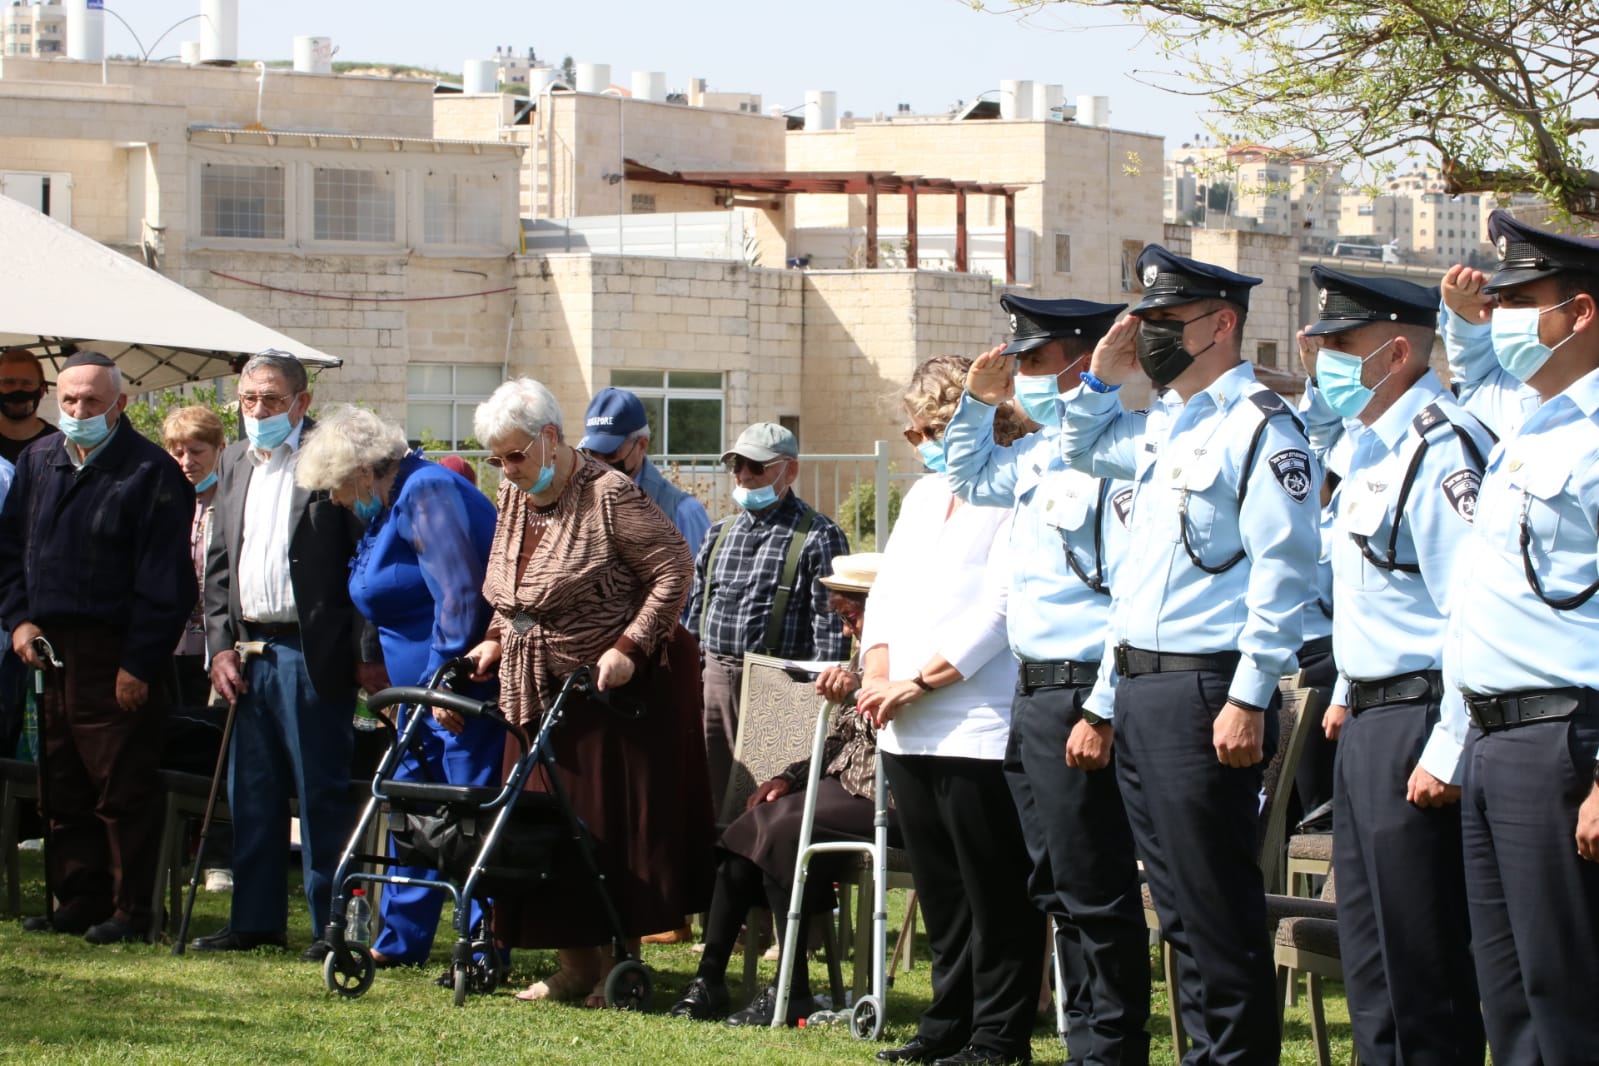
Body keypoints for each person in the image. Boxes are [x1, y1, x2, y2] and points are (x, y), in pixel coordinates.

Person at [1058, 245, 1322, 1065]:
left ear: (1220, 323)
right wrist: (1101, 378)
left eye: (1165, 322)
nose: (1151, 336)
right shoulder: (1170, 422)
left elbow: (1283, 574)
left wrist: (1248, 696)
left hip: (1204, 691)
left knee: (1214, 913)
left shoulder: (1261, 426)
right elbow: (1077, 448)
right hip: (1141, 687)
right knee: (1174, 912)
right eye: (1145, 322)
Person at [943, 303, 1152, 1066]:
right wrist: (975, 402)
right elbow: (963, 473)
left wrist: (1100, 704)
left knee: (1094, 887)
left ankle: (1109, 1048)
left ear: (1073, 363)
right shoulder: (1039, 457)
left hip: (1080, 691)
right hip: (1032, 693)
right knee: (1056, 884)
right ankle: (1082, 1040)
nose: (1020, 380)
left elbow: (1127, 592)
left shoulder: (1124, 452)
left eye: (1028, 365)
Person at [463, 377, 715, 1007]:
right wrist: (496, 637)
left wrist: (629, 647)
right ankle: (576, 965)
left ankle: (616, 964)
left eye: (515, 455)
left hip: (609, 694)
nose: (506, 469)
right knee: (546, 828)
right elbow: (512, 586)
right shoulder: (516, 495)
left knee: (603, 830)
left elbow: (673, 569)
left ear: (550, 439)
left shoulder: (610, 495)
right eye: (496, 459)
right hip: (533, 687)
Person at [1300, 267, 1490, 1065]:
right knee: (1370, 954)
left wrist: (1446, 745)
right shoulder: (1366, 450)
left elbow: (1470, 612)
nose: (1323, 363)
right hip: (1368, 717)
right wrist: (1344, 690)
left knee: (1424, 962)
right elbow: (1375, 590)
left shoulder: (1442, 447)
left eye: (1341, 346)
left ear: (1397, 351)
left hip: (1422, 716)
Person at [1442, 212, 1599, 1065]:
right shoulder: (1532, 421)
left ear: (1577, 313)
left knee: (1569, 998)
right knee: (1508, 998)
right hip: (1494, 739)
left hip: (1565, 740)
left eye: (1519, 301)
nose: (1500, 318)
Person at [860, 358, 1035, 1066]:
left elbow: (1001, 609)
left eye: (928, 426)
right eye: (913, 430)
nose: (917, 440)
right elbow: (886, 590)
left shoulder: (1016, 485)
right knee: (940, 892)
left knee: (993, 892)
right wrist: (878, 666)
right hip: (905, 720)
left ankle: (998, 1037)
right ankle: (946, 1025)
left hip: (978, 720)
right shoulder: (927, 494)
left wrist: (921, 681)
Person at [294, 405, 502, 970]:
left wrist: (442, 684)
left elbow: (459, 595)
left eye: (337, 487)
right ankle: (400, 939)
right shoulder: (390, 501)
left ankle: (484, 942)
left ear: (363, 470)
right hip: (415, 702)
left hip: (459, 695)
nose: (337, 500)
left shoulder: (428, 489)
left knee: (469, 814)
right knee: (409, 811)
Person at [191, 350, 382, 961]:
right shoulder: (231, 462)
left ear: (300, 403)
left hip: (311, 649)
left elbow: (362, 561)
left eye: (272, 400)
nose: (258, 411)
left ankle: (331, 926)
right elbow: (218, 567)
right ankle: (254, 921)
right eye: (249, 400)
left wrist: (363, 652)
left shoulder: (327, 462)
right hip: (247, 650)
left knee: (320, 792)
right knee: (252, 792)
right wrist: (219, 647)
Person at [0, 350, 195, 943]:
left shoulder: (150, 471)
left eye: (91, 401)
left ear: (120, 403)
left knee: (121, 785)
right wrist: (18, 622)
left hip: (118, 650)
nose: (79, 410)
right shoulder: (39, 459)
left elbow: (167, 582)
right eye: (70, 400)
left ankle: (130, 911)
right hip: (48, 647)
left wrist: (138, 663)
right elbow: (9, 554)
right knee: (61, 781)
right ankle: (77, 899)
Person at [670, 552, 894, 1026]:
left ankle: (791, 989)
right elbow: (837, 738)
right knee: (755, 822)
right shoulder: (864, 653)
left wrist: (861, 687)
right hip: (843, 785)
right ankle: (709, 979)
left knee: (784, 828)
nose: (846, 629)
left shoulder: (903, 654)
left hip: (886, 794)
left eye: (850, 617)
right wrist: (785, 779)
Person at [687, 422, 851, 811]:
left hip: (781, 686)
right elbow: (695, 615)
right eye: (738, 465)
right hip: (715, 682)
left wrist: (816, 704)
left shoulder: (819, 535)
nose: (744, 474)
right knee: (711, 797)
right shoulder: (718, 534)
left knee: (768, 801)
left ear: (789, 471)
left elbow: (832, 631)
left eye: (756, 466)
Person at [578, 387, 711, 554]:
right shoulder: (577, 506)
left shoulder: (682, 513)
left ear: (642, 445)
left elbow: (702, 578)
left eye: (610, 453)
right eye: (591, 454)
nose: (599, 465)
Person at [163, 406, 226, 710]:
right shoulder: (163, 499)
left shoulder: (229, 499)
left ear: (219, 449)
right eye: (178, 452)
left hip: (213, 644)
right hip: (170, 642)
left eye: (197, 451)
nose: (187, 462)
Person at [0, 347, 57, 464]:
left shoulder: (59, 446)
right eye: (9, 383)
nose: (17, 390)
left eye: (27, 383)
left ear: (42, 390)